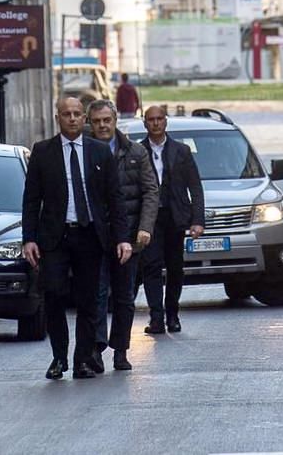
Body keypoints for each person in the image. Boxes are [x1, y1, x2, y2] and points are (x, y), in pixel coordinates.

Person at [22, 95, 130, 380]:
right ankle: (59, 356)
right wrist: (29, 239)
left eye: (77, 114)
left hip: (90, 235)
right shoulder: (43, 152)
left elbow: (115, 199)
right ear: (57, 117)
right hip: (55, 237)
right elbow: (31, 200)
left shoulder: (99, 152)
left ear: (84, 118)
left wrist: (122, 238)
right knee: (54, 294)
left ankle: (82, 358)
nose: (72, 118)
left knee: (89, 300)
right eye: (66, 114)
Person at [87, 99, 157, 372]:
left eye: (107, 120)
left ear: (115, 121)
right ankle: (97, 348)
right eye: (97, 121)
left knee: (124, 298)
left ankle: (121, 350)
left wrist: (145, 227)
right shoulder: (85, 152)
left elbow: (151, 191)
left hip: (129, 237)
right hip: (95, 238)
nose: (103, 126)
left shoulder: (136, 152)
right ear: (89, 124)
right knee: (97, 295)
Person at [140, 104, 204, 334]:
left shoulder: (181, 151)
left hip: (175, 216)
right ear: (144, 122)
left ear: (166, 121)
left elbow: (195, 186)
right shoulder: (138, 151)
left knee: (175, 268)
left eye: (159, 119)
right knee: (151, 266)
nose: (155, 123)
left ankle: (172, 314)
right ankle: (156, 317)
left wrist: (198, 220)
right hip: (149, 219)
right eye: (151, 119)